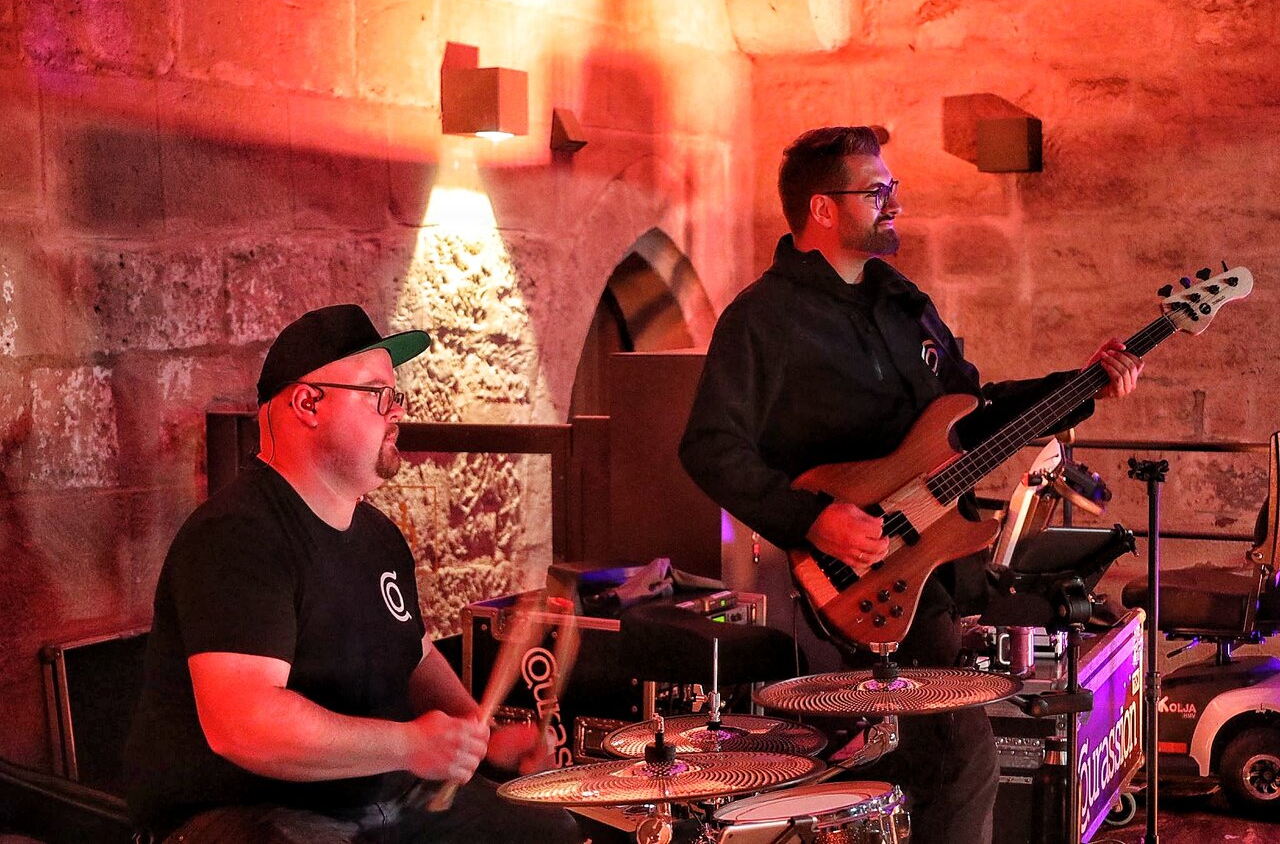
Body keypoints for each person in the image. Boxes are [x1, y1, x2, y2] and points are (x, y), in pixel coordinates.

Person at [679, 127, 1143, 844]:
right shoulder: (761, 319)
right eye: (876, 191)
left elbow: (973, 415)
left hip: (932, 568)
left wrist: (1080, 386)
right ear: (822, 208)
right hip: (848, 578)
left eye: (890, 188)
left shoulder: (904, 302)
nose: (894, 203)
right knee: (960, 763)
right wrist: (813, 519)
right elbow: (709, 447)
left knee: (926, 770)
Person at [124, 304, 579, 843]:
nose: (397, 411)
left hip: (380, 802)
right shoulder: (237, 534)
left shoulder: (378, 536)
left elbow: (414, 653)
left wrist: (478, 738)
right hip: (249, 814)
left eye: (396, 395)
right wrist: (412, 745)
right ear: (308, 403)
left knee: (550, 831)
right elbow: (244, 725)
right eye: (377, 394)